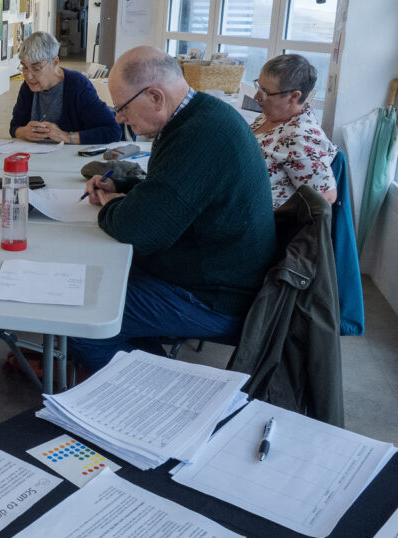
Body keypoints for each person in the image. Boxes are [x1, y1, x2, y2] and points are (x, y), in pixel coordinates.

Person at [73, 46, 277, 373]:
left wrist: (111, 205)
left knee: (87, 318)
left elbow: (138, 232)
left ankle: (158, 395)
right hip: (212, 273)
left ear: (155, 97)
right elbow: (173, 193)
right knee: (100, 277)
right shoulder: (200, 116)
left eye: (122, 107)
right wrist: (124, 189)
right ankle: (151, 364)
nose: (118, 118)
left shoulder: (199, 135)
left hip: (216, 297)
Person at [250, 54, 338, 209]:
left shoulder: (302, 138)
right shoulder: (270, 116)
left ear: (294, 96)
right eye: (258, 86)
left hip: (264, 223)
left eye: (265, 92)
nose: (256, 96)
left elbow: (327, 197)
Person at [9, 32, 121, 145]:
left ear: (55, 62)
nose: (28, 76)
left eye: (36, 68)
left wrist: (65, 136)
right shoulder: (28, 87)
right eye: (24, 67)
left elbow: (113, 131)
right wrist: (23, 132)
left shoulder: (77, 85)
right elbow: (15, 127)